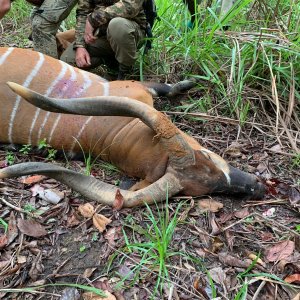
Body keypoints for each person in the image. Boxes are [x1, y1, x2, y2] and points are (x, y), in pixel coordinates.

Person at [60, 0, 147, 80]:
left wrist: (93, 19)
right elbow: (83, 13)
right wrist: (80, 45)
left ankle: (125, 70)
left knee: (117, 25)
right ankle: (111, 62)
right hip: (101, 35)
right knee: (67, 61)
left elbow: (130, 7)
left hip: (130, 32)